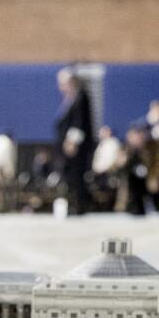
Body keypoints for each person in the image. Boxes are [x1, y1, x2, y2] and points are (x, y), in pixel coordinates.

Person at [55, 68, 94, 214]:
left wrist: (72, 141)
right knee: (69, 176)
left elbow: (79, 121)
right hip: (66, 146)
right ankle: (74, 202)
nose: (60, 87)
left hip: (77, 147)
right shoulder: (69, 99)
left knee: (77, 175)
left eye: (62, 84)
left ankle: (81, 205)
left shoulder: (81, 97)